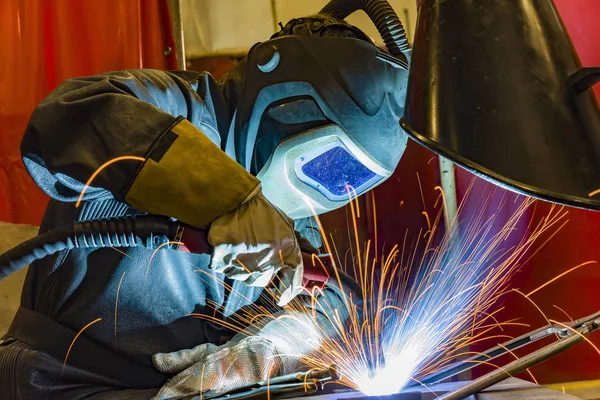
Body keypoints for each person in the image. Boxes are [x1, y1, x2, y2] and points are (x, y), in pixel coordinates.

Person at [0, 3, 409, 399]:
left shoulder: (287, 204)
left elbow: (330, 291)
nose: (325, 188)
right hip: (58, 382)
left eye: (348, 179)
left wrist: (277, 342)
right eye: (329, 163)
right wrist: (230, 197)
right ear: (285, 102)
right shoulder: (177, 105)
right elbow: (64, 117)